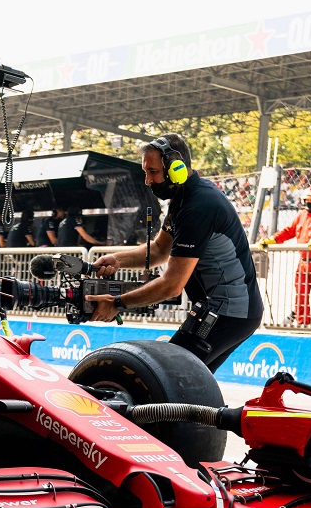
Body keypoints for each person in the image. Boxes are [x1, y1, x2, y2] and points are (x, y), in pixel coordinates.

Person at [88, 133, 264, 372]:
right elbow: (160, 249)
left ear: (176, 168)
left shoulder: (198, 207)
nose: (148, 181)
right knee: (188, 387)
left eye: (153, 172)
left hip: (229, 311)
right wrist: (117, 260)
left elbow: (172, 285)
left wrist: (117, 304)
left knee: (168, 377)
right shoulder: (184, 197)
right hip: (227, 310)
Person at [256, 185, 311, 326]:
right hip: (304, 261)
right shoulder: (301, 215)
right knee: (301, 294)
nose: (308, 203)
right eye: (305, 200)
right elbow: (288, 231)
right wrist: (272, 239)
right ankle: (302, 323)